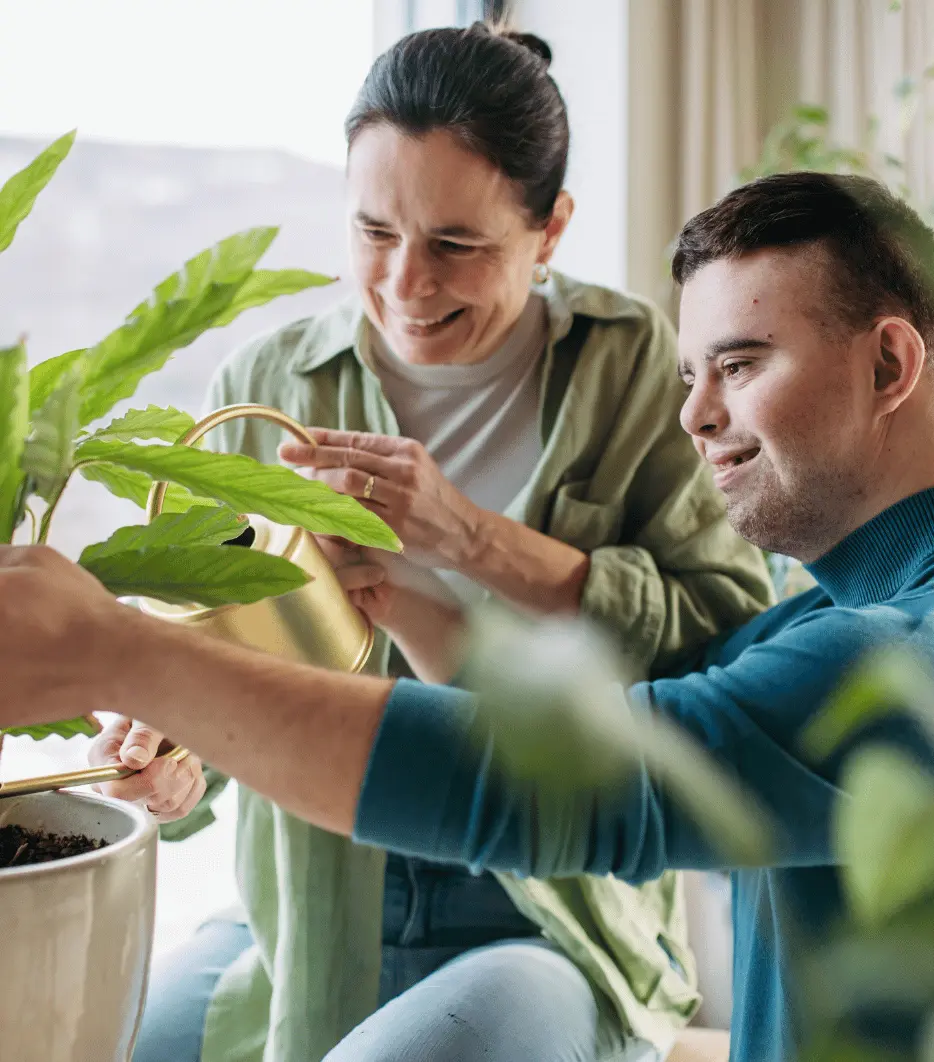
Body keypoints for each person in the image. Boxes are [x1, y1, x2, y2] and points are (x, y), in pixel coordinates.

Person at [6, 171, 934, 1062]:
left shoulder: (926, 655)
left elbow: (563, 787)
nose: (694, 416)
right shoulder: (851, 616)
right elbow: (593, 730)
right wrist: (404, 605)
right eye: (692, 375)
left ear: (887, 366)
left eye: (736, 366)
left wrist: (123, 651)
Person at [78, 23, 773, 1062]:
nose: (406, 284)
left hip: (543, 904)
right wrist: (173, 767)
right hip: (312, 904)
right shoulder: (267, 391)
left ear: (550, 231)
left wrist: (469, 536)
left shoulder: (636, 370)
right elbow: (212, 675)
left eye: (456, 245)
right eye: (372, 233)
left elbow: (728, 643)